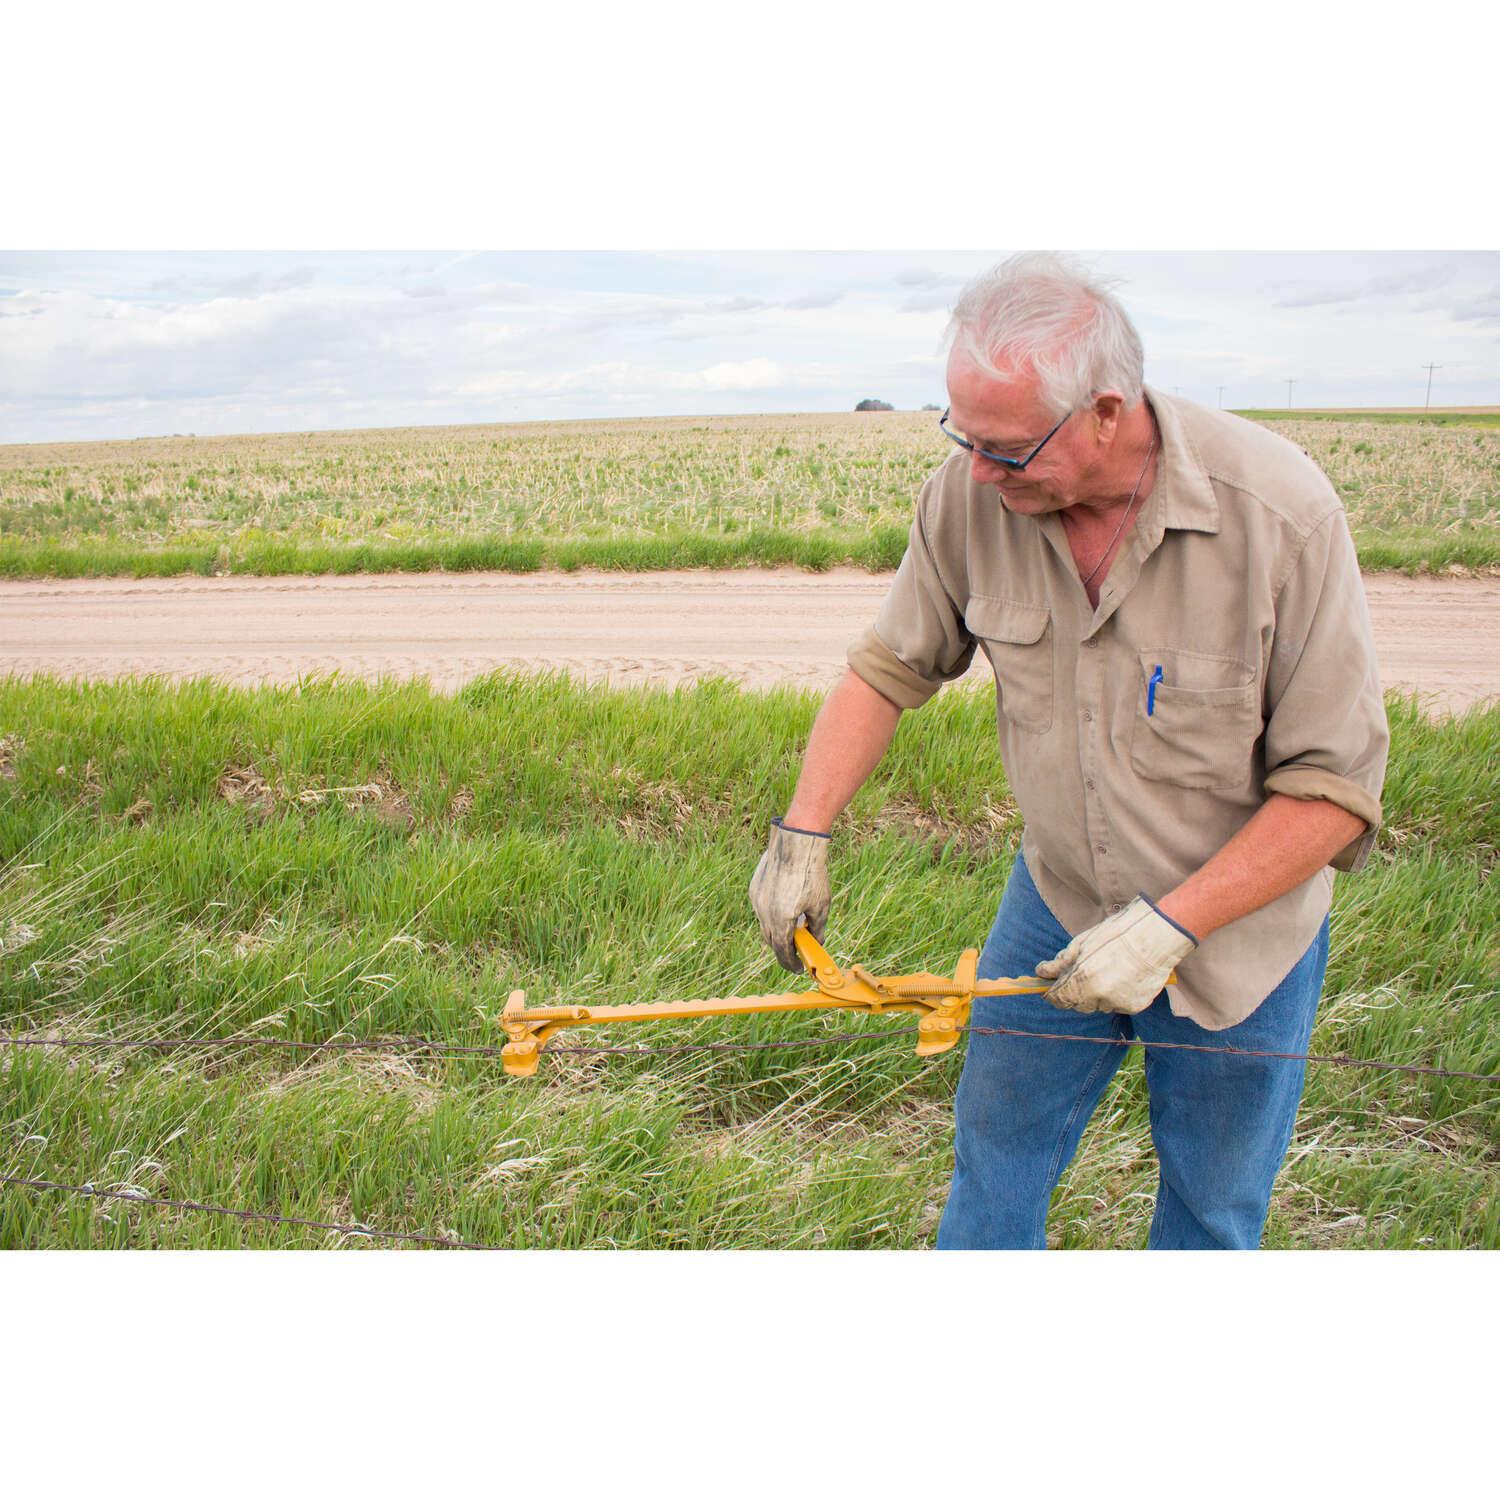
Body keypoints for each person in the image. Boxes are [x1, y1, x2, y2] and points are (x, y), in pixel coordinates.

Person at [749, 252, 1389, 1250]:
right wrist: (802, 832)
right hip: (1056, 899)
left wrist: (1173, 925)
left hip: (1240, 940)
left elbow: (1336, 789)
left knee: (1212, 1208)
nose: (978, 473)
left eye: (1007, 450)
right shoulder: (971, 499)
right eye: (965, 438)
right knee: (994, 1161)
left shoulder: (1281, 517)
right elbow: (887, 670)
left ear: (1105, 408)